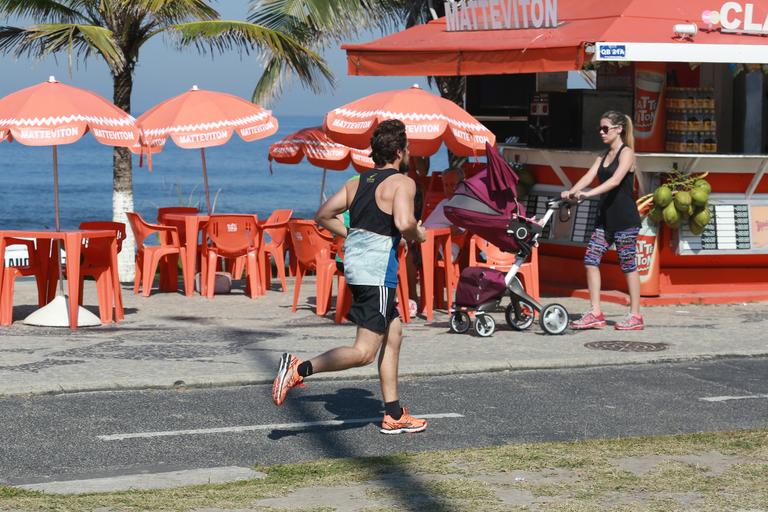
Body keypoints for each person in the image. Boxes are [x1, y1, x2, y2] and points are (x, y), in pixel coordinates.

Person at [272, 119, 429, 434]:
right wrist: (418, 233)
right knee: (364, 352)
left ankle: (394, 413)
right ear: (399, 151)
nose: (410, 152)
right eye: (408, 147)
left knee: (394, 333)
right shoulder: (403, 182)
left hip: (357, 267)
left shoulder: (357, 182)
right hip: (375, 272)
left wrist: (353, 235)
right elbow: (402, 221)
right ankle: (299, 368)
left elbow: (322, 215)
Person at [561, 110, 644, 331]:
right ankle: (595, 312)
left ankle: (636, 316)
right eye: (600, 128)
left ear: (619, 130)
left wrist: (589, 194)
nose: (601, 132)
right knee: (591, 259)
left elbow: (616, 181)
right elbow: (588, 176)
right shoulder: (602, 155)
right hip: (605, 218)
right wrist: (571, 192)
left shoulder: (627, 153)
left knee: (628, 264)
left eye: (605, 128)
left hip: (625, 219)